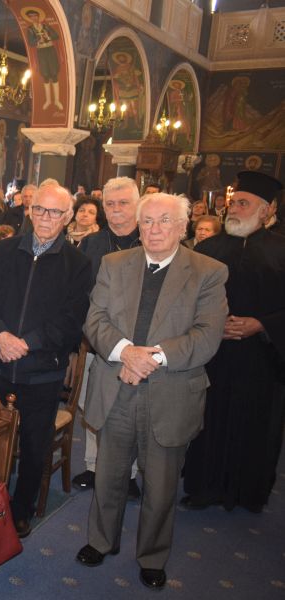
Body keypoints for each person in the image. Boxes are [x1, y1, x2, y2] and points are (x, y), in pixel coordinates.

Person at [76, 193, 227, 591]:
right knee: (108, 475)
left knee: (160, 486)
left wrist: (151, 359)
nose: (155, 229)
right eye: (147, 221)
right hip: (117, 386)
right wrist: (126, 353)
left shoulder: (208, 271)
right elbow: (95, 319)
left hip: (171, 393)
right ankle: (101, 541)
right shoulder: (114, 264)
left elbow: (207, 335)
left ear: (182, 227)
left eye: (164, 221)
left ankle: (152, 556)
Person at [0, 182, 91, 538]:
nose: (45, 217)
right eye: (39, 209)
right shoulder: (5, 250)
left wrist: (27, 343)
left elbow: (72, 319)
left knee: (35, 445)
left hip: (42, 371)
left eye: (55, 211)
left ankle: (21, 509)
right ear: (29, 210)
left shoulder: (78, 264)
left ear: (67, 217)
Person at [182, 171, 285, 513]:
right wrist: (211, 324)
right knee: (209, 419)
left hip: (262, 358)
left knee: (255, 424)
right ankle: (204, 486)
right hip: (214, 354)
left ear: (266, 210)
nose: (234, 209)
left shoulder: (281, 250)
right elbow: (185, 297)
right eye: (233, 203)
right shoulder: (209, 249)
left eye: (244, 203)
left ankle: (247, 492)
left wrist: (262, 324)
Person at [72, 177, 143, 495]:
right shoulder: (92, 243)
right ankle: (93, 466)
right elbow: (80, 292)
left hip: (138, 343)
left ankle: (128, 474)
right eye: (110, 204)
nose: (116, 210)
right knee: (93, 405)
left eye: (123, 203)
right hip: (97, 339)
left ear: (137, 206)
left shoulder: (149, 240)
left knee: (131, 410)